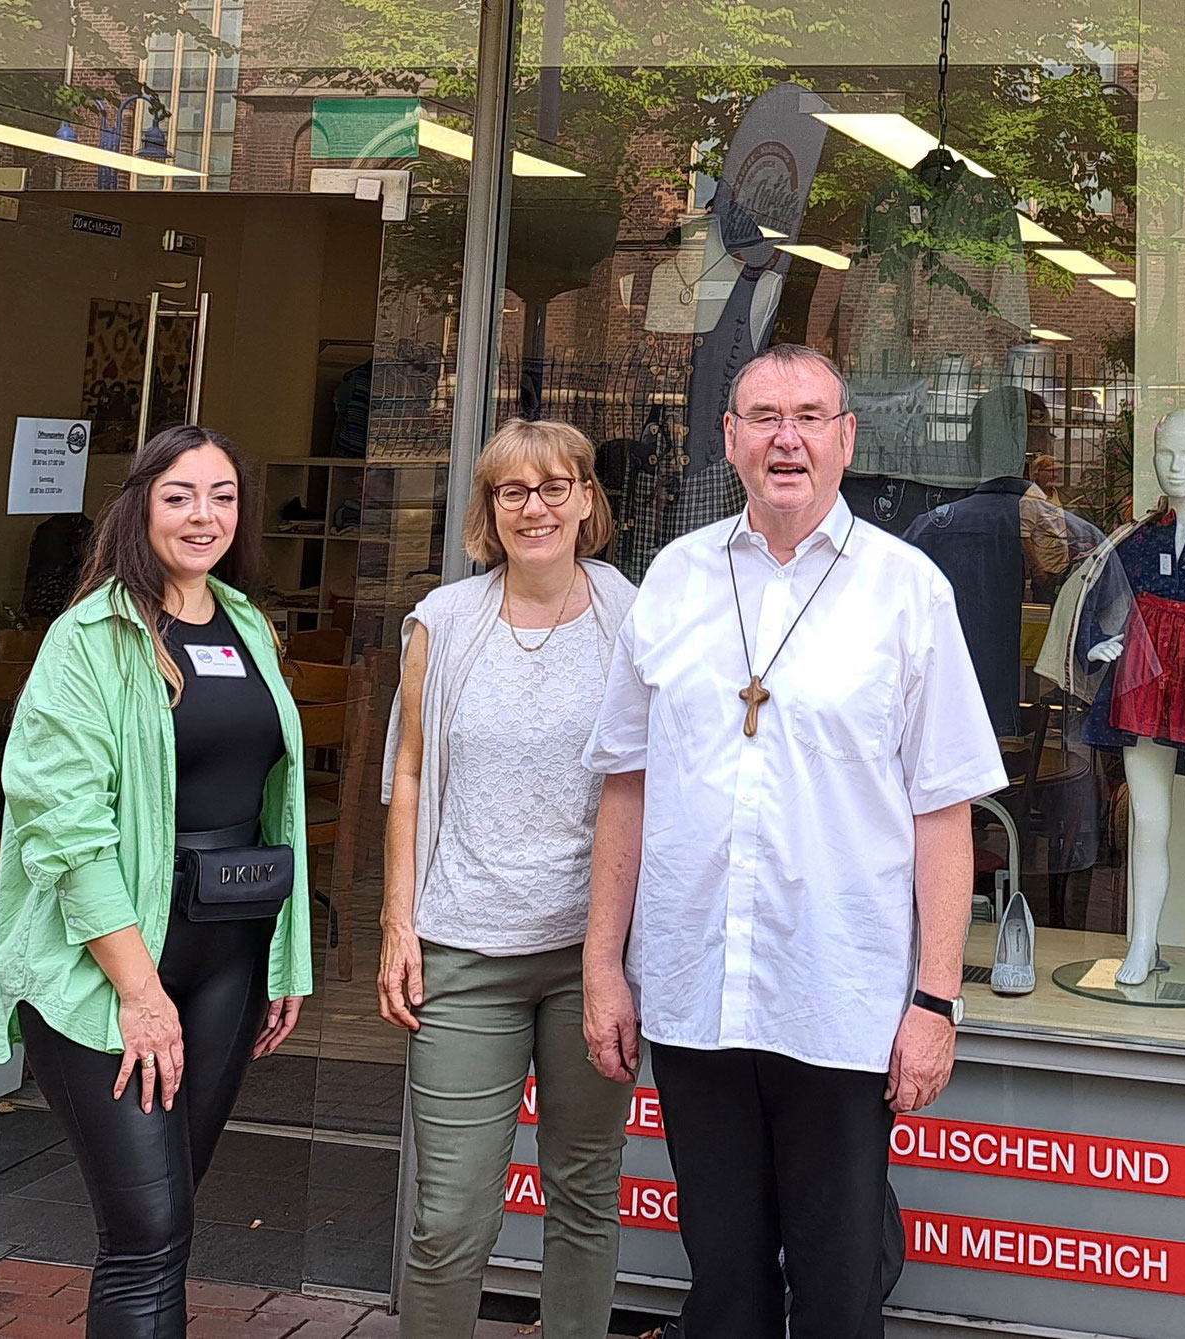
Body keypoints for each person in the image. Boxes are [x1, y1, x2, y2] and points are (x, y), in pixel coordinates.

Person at [582, 344, 1007, 1339]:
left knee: (837, 1280)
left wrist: (935, 999)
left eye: (809, 416)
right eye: (763, 416)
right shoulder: (675, 580)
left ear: (845, 439)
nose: (786, 437)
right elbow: (626, 787)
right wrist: (605, 966)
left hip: (840, 997)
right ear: (728, 440)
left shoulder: (908, 591)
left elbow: (942, 810)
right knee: (721, 1279)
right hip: (694, 994)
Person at [0, 424, 311, 1339]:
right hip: (112, 964)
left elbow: (276, 803)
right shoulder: (88, 639)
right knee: (147, 1227)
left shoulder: (248, 624)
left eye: (224, 496)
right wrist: (141, 990)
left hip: (230, 953)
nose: (205, 516)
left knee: (168, 1216)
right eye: (181, 496)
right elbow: (66, 833)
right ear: (141, 507)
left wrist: (286, 959)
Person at [381, 418, 637, 1338]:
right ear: (489, 508)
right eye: (512, 491)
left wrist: (620, 954)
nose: (535, 507)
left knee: (584, 1192)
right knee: (449, 1217)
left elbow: (648, 784)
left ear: (586, 500)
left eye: (555, 487)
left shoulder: (628, 614)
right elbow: (406, 771)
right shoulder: (443, 624)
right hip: (462, 952)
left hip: (590, 957)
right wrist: (397, 922)